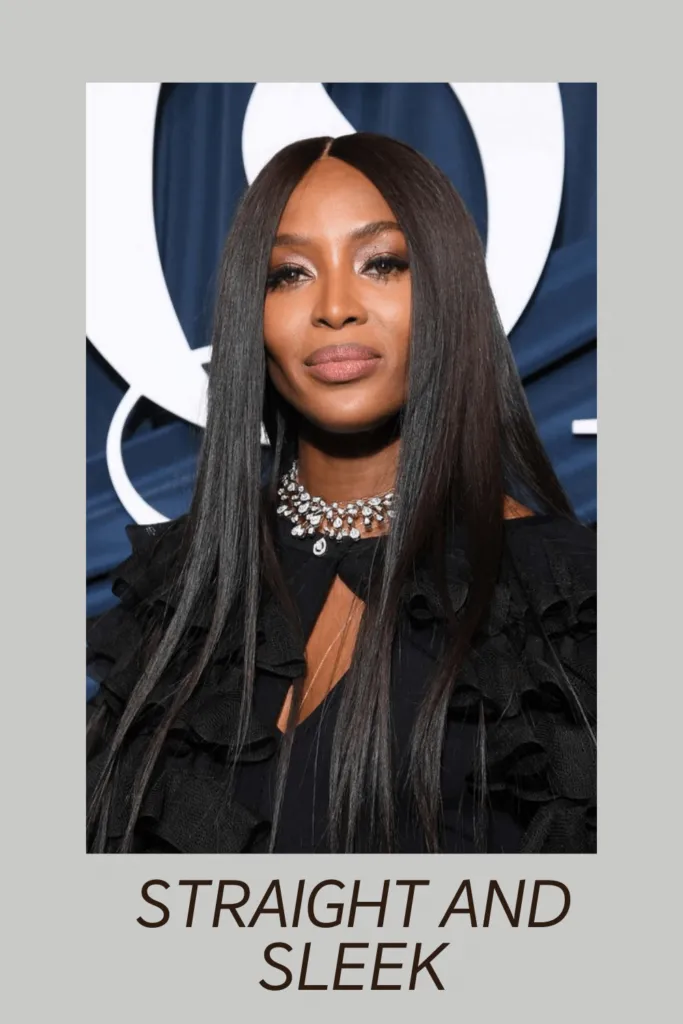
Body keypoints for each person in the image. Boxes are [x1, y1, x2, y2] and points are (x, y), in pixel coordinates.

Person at [87, 133, 596, 855]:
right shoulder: (179, 588)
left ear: (447, 291)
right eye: (288, 273)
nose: (333, 307)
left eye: (381, 263)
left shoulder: (569, 599)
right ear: (249, 317)